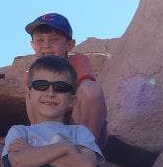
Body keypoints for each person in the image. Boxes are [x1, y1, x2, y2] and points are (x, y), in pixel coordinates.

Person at [23, 12, 108, 145]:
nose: (46, 45)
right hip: (50, 122)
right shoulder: (33, 72)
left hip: (78, 122)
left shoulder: (77, 61)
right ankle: (44, 144)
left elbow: (88, 94)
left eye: (54, 39)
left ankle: (87, 149)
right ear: (33, 45)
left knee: (90, 89)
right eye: (40, 40)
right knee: (31, 93)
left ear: (69, 44)